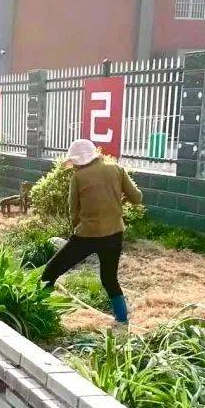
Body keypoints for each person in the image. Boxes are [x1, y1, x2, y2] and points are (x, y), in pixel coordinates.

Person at [40, 138, 143, 327]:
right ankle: (122, 321)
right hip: (114, 234)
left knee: (50, 272)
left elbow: (74, 211)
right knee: (109, 279)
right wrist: (119, 202)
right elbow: (137, 197)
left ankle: (39, 314)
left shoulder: (78, 178)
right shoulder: (117, 170)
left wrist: (78, 228)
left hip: (86, 236)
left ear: (77, 161)